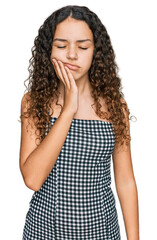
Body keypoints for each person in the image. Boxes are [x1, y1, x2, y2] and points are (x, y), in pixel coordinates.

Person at [19, 5, 139, 240]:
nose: (72, 54)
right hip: (44, 231)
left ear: (96, 51)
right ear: (48, 51)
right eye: (61, 46)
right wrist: (68, 109)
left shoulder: (116, 106)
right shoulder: (33, 102)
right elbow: (32, 179)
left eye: (83, 46)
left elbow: (125, 181)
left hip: (102, 232)